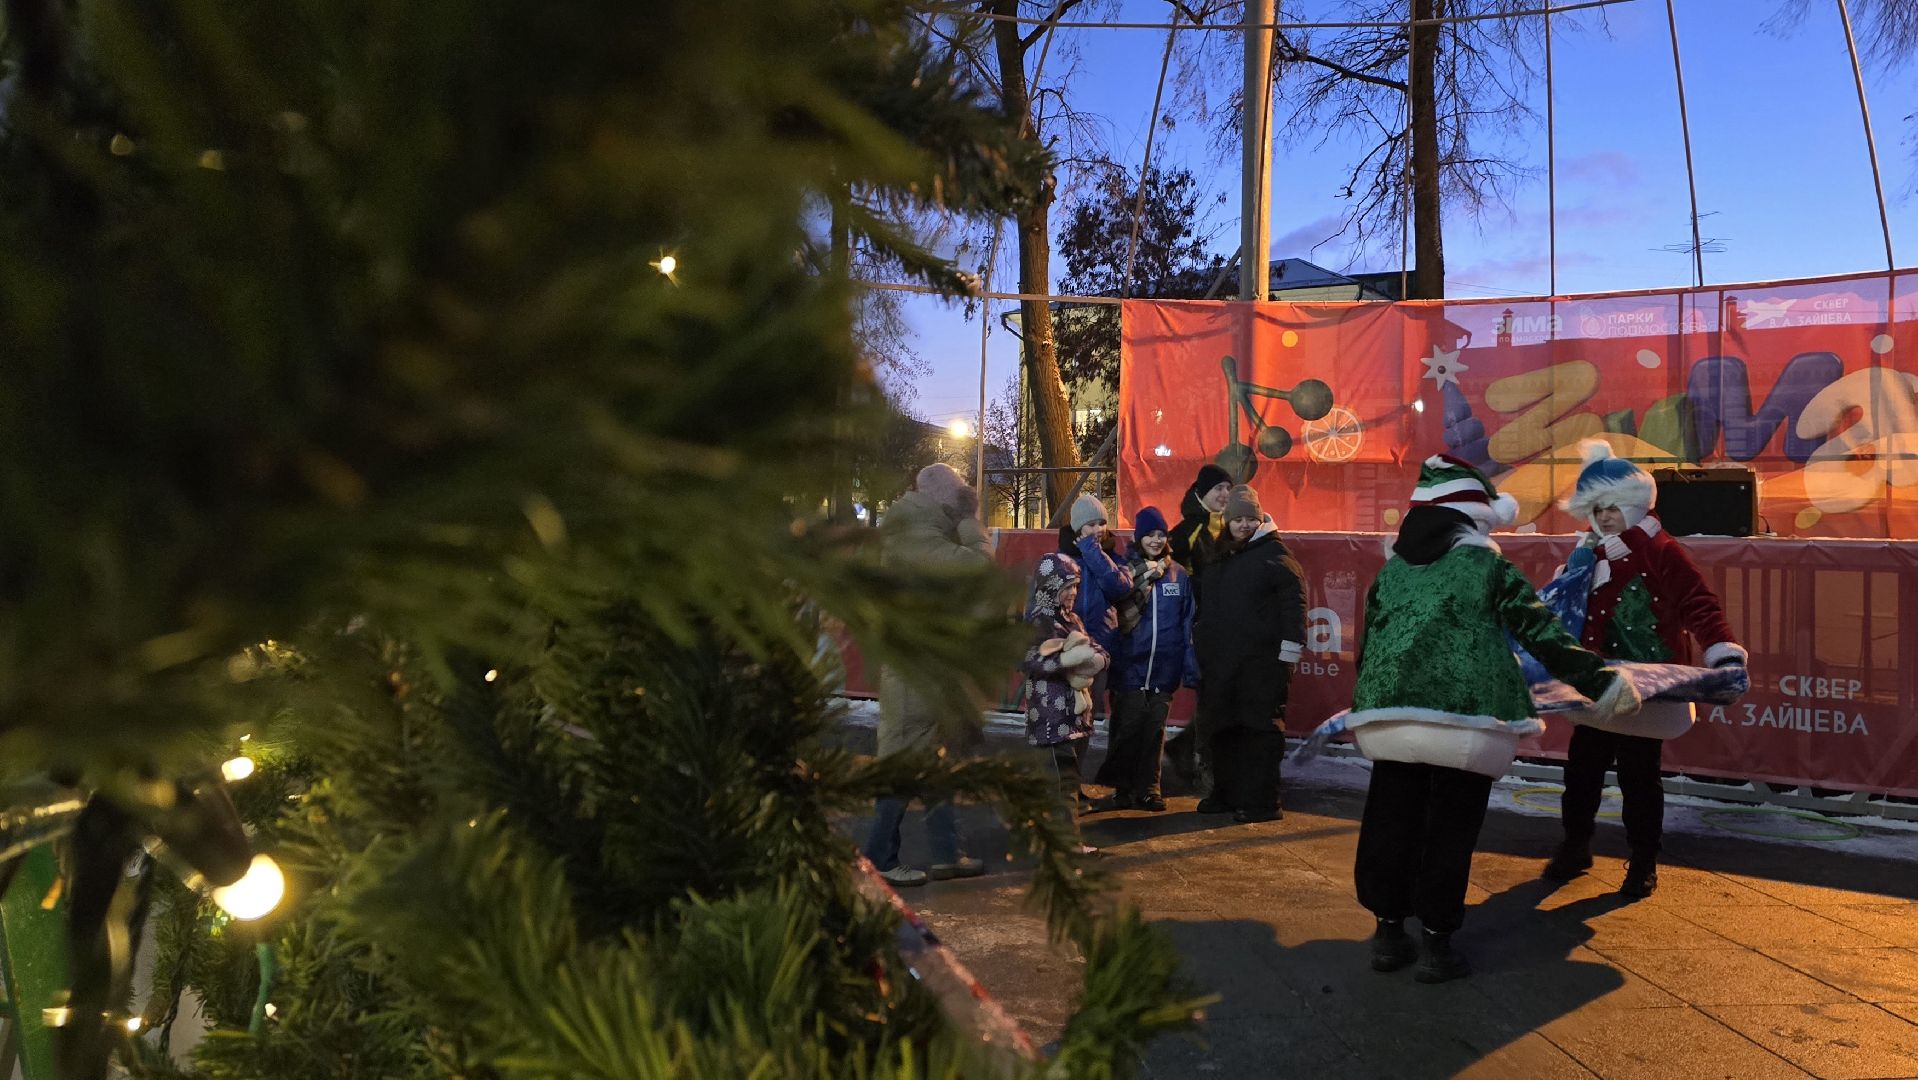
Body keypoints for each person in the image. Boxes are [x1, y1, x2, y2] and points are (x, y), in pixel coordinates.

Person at [1344, 455, 1641, 982]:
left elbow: (1367, 645)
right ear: (1475, 520)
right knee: (1448, 830)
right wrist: (1601, 683)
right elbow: (1543, 633)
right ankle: (1437, 942)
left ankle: (1388, 933)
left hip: (1391, 719)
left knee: (1390, 822)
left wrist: (1371, 699)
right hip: (1466, 722)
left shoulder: (1391, 572)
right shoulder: (1489, 569)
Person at [1542, 442, 1747, 898]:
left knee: (1639, 777)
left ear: (1635, 505)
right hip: (1596, 682)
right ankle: (1575, 846)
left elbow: (1699, 604)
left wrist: (1722, 650)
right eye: (1598, 508)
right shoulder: (1586, 555)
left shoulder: (1662, 551)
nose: (1606, 516)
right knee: (1582, 771)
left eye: (1614, 507)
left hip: (1647, 686)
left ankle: (1643, 861)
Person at [863, 463, 994, 887]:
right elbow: (978, 567)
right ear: (943, 497)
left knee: (936, 765)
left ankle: (945, 854)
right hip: (914, 673)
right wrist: (971, 520)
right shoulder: (915, 537)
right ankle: (878, 858)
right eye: (958, 495)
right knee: (903, 768)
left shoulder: (918, 529)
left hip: (927, 670)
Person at [1190, 485, 1305, 824]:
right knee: (1223, 729)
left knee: (1260, 731)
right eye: (1237, 519)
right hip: (1222, 663)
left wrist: (1288, 653)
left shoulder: (1277, 557)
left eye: (1248, 519)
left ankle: (1262, 802)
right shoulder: (1220, 556)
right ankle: (1226, 793)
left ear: (1260, 519)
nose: (1242, 525)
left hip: (1262, 664)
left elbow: (1294, 607)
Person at [1092, 506, 1197, 812]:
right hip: (1130, 669)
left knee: (1154, 731)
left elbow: (1186, 624)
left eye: (1160, 534)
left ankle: (1149, 788)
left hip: (1163, 668)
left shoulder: (1178, 574)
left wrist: (1186, 667)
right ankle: (1123, 788)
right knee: (1126, 728)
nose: (1155, 539)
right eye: (1149, 534)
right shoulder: (1123, 570)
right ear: (1138, 537)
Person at [1163, 463, 1236, 791]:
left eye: (1227, 489)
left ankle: (1183, 749)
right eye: (1218, 489)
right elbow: (1171, 575)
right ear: (1201, 492)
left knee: (1220, 696)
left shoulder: (1233, 528)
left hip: (1227, 625)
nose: (1224, 495)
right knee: (1212, 695)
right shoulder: (1187, 531)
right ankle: (1204, 765)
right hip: (1202, 628)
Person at [1021, 551, 1109, 814]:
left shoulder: (1072, 619)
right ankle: (1066, 844)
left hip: (1073, 717)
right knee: (1061, 783)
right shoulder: (1038, 621)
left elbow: (1097, 650)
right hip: (1050, 718)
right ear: (1051, 586)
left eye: (1076, 586)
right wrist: (1069, 659)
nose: (1073, 592)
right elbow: (1031, 660)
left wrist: (1097, 659)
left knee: (1066, 781)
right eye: (1067, 586)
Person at [1056, 494, 1132, 794]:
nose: (1099, 529)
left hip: (1097, 651)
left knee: (1085, 722)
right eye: (1090, 525)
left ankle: (1073, 787)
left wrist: (1093, 552)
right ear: (1077, 528)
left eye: (1102, 522)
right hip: (1066, 651)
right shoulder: (1060, 560)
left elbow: (1120, 587)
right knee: (1063, 721)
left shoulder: (1111, 558)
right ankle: (1061, 786)